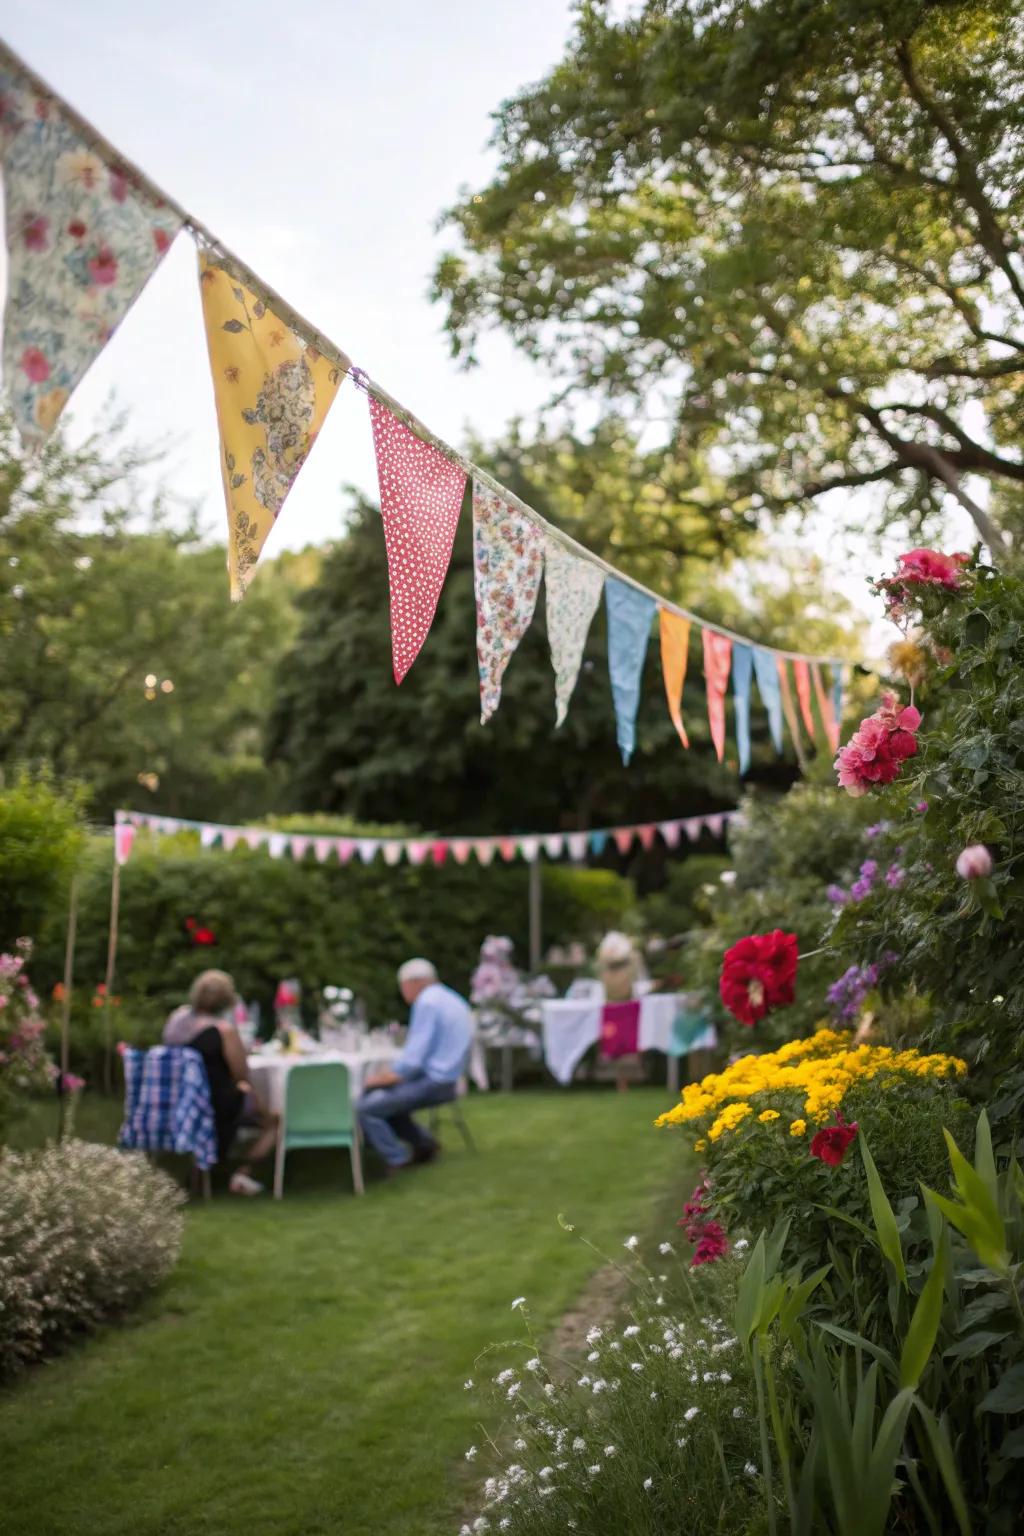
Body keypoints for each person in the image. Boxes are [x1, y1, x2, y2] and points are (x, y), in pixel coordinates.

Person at [163, 969, 278, 1196]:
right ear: (227, 1000)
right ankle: (243, 1172)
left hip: (177, 1102)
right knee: (275, 1121)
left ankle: (210, 1168)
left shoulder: (176, 1021)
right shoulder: (223, 1030)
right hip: (215, 1106)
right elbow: (241, 1073)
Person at [357, 958, 471, 1174]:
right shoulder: (452, 998)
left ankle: (397, 1158)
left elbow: (412, 1062)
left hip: (434, 1082)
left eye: (403, 987)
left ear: (413, 983)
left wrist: (382, 1078)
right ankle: (425, 1145)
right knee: (387, 1101)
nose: (403, 993)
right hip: (451, 1079)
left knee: (366, 1107)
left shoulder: (427, 1002)